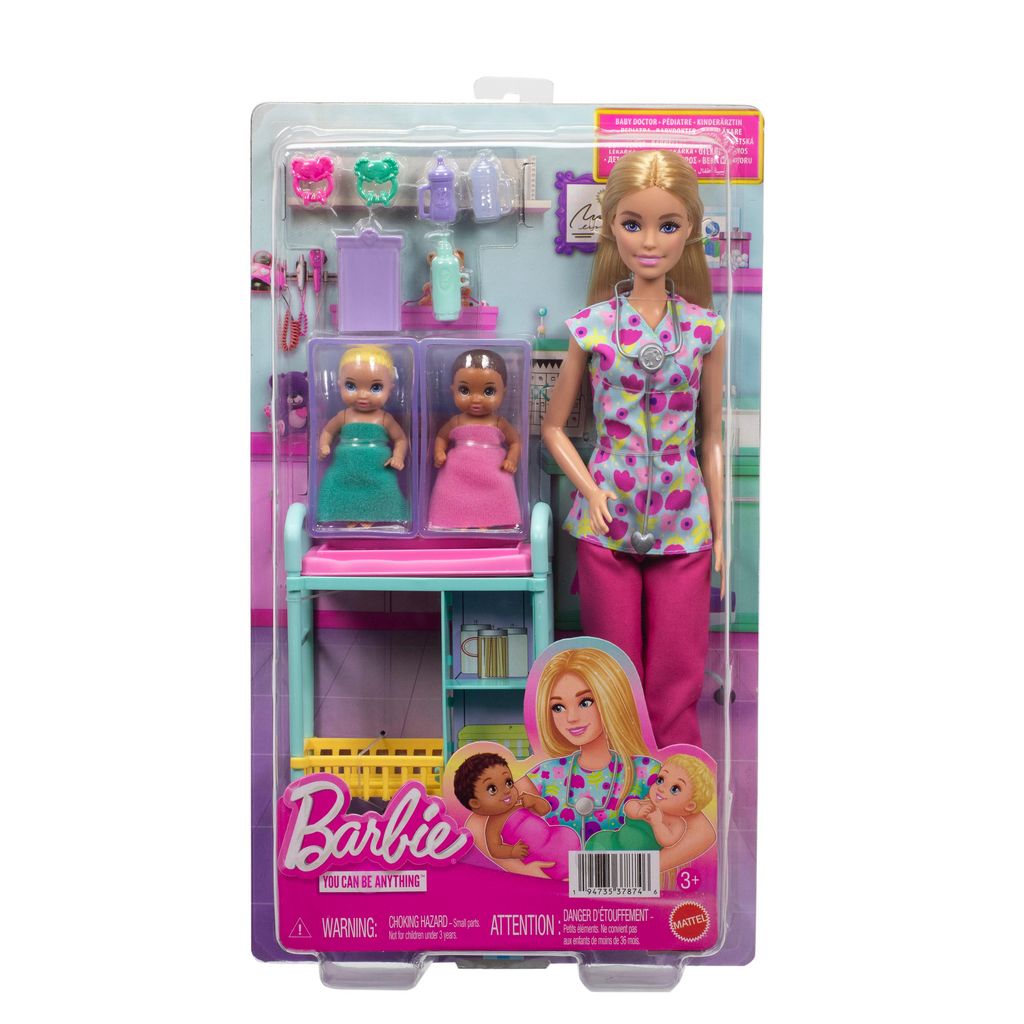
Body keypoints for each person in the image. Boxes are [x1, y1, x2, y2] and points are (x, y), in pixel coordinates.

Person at [541, 150, 726, 748]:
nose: (649, 241)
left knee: (678, 672)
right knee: (611, 673)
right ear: (611, 226)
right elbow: (553, 428)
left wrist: (722, 531)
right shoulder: (591, 326)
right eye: (632, 223)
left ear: (690, 229)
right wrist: (590, 490)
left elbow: (712, 435)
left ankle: (678, 783)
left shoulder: (705, 329)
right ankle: (615, 784)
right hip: (608, 515)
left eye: (667, 225)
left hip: (684, 516)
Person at [516, 647, 661, 848]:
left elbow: (690, 833)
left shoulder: (646, 772)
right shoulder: (546, 775)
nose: (571, 718)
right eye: (558, 707)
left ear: (612, 700)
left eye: (585, 702)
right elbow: (488, 815)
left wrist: (659, 861)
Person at [316, 344, 409, 526]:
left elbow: (400, 439)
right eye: (351, 386)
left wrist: (398, 457)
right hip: (345, 467)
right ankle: (346, 517)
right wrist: (324, 445)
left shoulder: (384, 418)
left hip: (377, 469)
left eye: (376, 387)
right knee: (333, 485)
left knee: (386, 488)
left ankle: (375, 517)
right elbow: (327, 430)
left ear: (390, 388)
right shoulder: (344, 416)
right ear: (339, 384)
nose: (363, 395)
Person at [428, 349, 521, 529]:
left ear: (503, 391)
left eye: (488, 391)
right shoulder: (457, 421)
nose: (476, 399)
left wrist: (511, 460)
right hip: (458, 471)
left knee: (498, 491)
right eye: (465, 390)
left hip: (493, 471)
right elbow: (441, 436)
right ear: (453, 390)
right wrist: (439, 452)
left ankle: (488, 522)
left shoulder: (499, 422)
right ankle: (457, 521)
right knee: (452, 494)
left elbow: (515, 442)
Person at [453, 751, 579, 880]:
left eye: (508, 783)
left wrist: (535, 801)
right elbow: (494, 848)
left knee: (571, 849)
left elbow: (545, 810)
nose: (506, 791)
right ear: (475, 803)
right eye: (493, 789)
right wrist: (512, 851)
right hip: (539, 857)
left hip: (559, 840)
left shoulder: (520, 803)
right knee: (557, 871)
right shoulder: (494, 823)